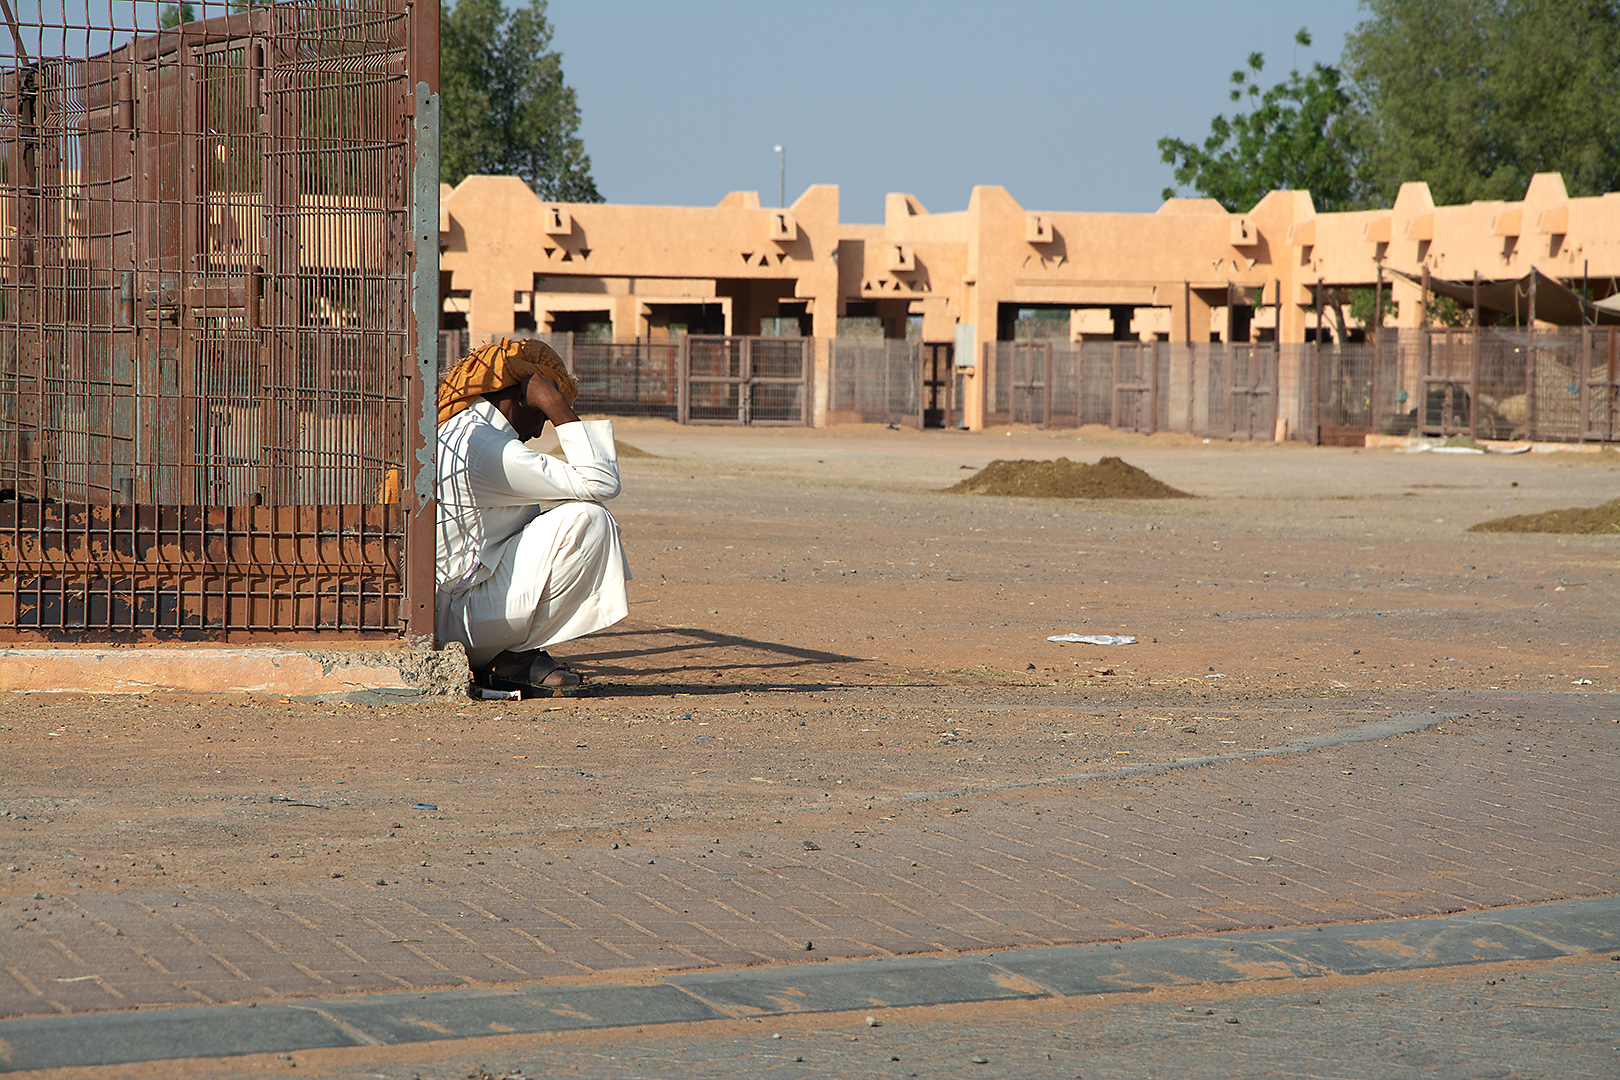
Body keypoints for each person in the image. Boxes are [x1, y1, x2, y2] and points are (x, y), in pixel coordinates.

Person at [435, 337, 629, 695]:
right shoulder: (483, 447)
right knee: (588, 520)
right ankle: (507, 656)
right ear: (524, 395)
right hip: (454, 624)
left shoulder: (464, 432)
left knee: (566, 514)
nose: (540, 431)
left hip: (454, 607)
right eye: (538, 411)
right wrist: (555, 405)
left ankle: (506, 653)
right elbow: (601, 482)